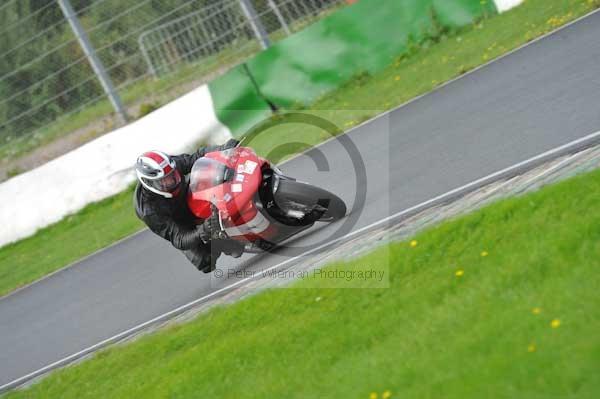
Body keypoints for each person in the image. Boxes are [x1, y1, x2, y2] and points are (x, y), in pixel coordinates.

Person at [133, 139, 241, 273]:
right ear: (149, 184)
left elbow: (197, 157)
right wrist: (203, 230)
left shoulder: (171, 165)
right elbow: (178, 238)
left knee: (209, 174)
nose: (172, 181)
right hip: (177, 221)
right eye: (164, 181)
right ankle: (223, 241)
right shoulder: (149, 211)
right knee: (205, 261)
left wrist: (223, 149)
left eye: (172, 175)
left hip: (188, 195)